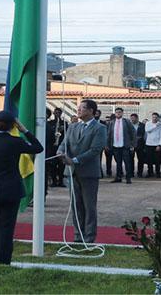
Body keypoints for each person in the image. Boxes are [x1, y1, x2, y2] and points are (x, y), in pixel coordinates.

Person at [0, 111, 43, 265]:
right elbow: (38, 148)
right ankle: (4, 261)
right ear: (13, 125)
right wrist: (24, 130)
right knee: (6, 228)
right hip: (11, 190)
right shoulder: (16, 142)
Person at [58, 99, 107, 244]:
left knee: (89, 206)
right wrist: (60, 152)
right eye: (78, 108)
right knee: (75, 205)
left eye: (82, 108)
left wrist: (75, 160)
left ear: (91, 111)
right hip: (71, 172)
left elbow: (95, 149)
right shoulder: (73, 127)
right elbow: (64, 143)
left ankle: (89, 237)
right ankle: (78, 235)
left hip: (88, 173)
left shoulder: (100, 128)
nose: (78, 110)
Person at [106, 107, 135, 184]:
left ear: (122, 113)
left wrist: (132, 144)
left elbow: (133, 133)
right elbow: (109, 134)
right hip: (115, 145)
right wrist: (107, 145)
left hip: (125, 145)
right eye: (117, 112)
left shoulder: (127, 122)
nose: (118, 113)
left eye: (119, 112)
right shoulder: (112, 122)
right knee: (118, 163)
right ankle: (118, 177)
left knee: (127, 162)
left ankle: (128, 178)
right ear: (115, 114)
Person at [143, 113, 161, 178]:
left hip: (156, 144)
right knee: (149, 159)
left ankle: (158, 172)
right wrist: (155, 126)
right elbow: (147, 131)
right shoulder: (148, 123)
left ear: (158, 118)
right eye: (153, 117)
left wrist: (159, 144)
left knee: (157, 160)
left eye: (156, 117)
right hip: (149, 144)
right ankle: (150, 172)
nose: (154, 118)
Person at [131, 113, 147, 178]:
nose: (132, 120)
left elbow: (145, 135)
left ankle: (140, 173)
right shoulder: (129, 125)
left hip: (140, 145)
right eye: (131, 119)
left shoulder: (142, 125)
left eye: (133, 118)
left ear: (137, 118)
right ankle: (131, 172)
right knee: (130, 159)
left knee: (140, 159)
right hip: (131, 145)